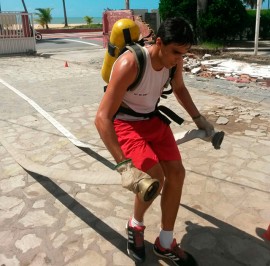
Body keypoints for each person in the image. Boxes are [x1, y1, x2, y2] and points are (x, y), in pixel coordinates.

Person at [95, 17, 213, 265]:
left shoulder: (174, 63)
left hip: (152, 120)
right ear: (159, 42)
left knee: (177, 173)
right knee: (154, 178)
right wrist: (124, 167)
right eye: (176, 52)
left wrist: (198, 118)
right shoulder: (131, 63)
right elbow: (102, 118)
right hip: (125, 123)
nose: (180, 59)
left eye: (184, 54)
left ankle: (165, 242)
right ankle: (135, 226)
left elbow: (179, 88)